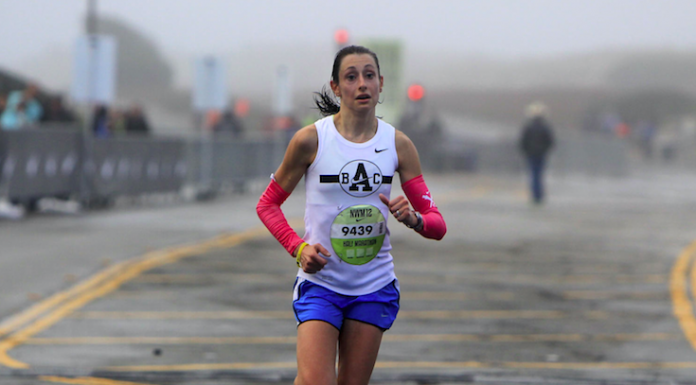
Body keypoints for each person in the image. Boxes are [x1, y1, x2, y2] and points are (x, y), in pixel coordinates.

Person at [256, 45, 447, 385]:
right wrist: (299, 249)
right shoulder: (310, 140)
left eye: (369, 76)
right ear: (335, 87)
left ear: (381, 84)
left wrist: (413, 218)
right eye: (351, 77)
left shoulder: (398, 145)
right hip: (321, 284)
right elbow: (267, 205)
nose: (362, 84)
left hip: (373, 288)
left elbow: (437, 225)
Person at [519, 102, 555, 205]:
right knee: (539, 174)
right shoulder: (545, 127)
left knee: (534, 174)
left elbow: (523, 142)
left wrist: (526, 152)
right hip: (541, 154)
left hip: (531, 154)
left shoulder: (528, 127)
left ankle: (535, 195)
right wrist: (545, 150)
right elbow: (550, 141)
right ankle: (539, 195)